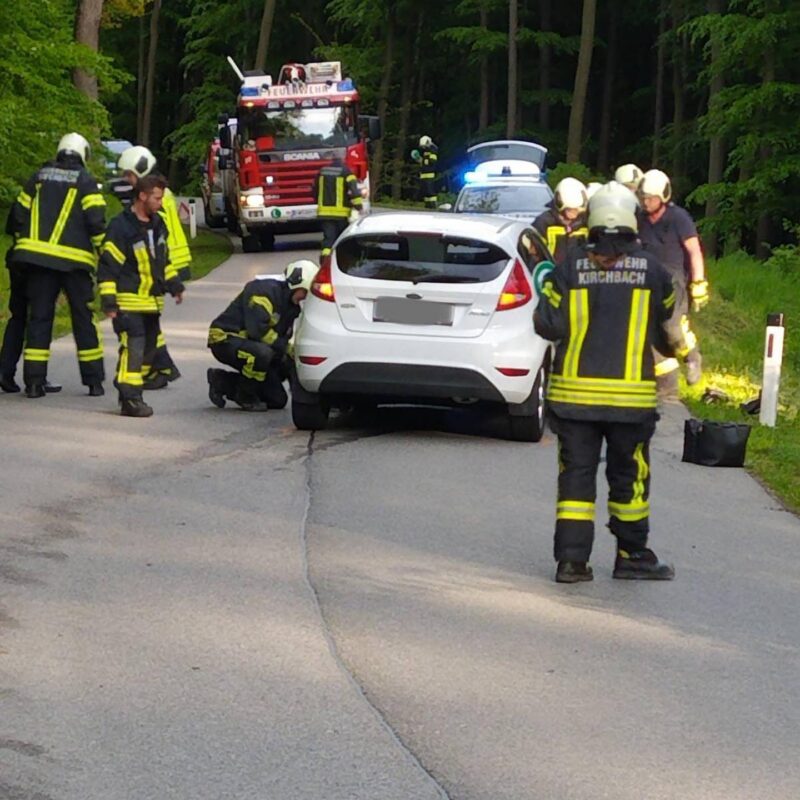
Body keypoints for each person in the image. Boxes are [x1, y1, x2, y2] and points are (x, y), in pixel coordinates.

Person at [534, 181, 688, 583]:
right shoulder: (653, 271)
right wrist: (681, 355)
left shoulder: (568, 268)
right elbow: (668, 329)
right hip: (630, 404)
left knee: (576, 477)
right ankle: (633, 554)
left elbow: (546, 325)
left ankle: (571, 562)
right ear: (632, 223)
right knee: (630, 477)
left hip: (573, 401)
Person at [8, 133, 106, 398]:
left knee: (39, 319)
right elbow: (96, 223)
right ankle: (94, 382)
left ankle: (34, 383)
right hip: (75, 264)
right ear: (82, 154)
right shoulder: (86, 181)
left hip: (37, 262)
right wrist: (106, 255)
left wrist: (21, 247)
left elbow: (18, 215)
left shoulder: (38, 177)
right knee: (83, 319)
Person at [97, 174, 185, 418]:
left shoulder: (158, 224)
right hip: (128, 301)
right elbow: (108, 267)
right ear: (142, 196)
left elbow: (163, 260)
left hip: (151, 303)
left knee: (148, 351)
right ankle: (130, 397)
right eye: (157, 198)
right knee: (133, 348)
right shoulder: (120, 226)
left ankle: (128, 388)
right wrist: (109, 301)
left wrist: (175, 285)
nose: (160, 203)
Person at [115, 145, 192, 387]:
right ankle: (161, 367)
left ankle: (160, 368)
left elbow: (155, 237)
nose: (127, 179)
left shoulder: (156, 198)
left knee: (148, 320)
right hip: (169, 262)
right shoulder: (161, 193)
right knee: (149, 320)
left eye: (129, 175)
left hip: (166, 265)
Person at [206, 259, 317, 411]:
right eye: (305, 292)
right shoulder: (264, 292)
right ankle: (245, 396)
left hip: (253, 344)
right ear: (296, 283)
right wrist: (285, 347)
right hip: (225, 338)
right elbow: (258, 331)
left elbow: (281, 338)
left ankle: (221, 381)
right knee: (263, 354)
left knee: (277, 400)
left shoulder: (291, 306)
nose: (305, 298)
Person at [637, 169, 707, 394]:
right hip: (646, 281)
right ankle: (666, 384)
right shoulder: (639, 219)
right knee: (652, 332)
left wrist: (698, 283)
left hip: (673, 283)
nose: (646, 202)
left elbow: (694, 251)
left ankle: (692, 357)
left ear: (663, 196)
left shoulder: (679, 218)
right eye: (643, 198)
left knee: (672, 327)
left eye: (651, 198)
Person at [533, 177, 589, 265]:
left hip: (579, 270)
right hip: (552, 271)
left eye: (576, 210)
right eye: (569, 210)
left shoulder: (586, 223)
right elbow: (533, 253)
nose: (573, 215)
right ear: (559, 204)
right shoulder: (543, 222)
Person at [315, 160, 363, 261]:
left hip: (324, 213)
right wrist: (358, 206)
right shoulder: (347, 172)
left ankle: (325, 259)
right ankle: (343, 260)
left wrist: (318, 202)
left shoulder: (322, 172)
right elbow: (354, 191)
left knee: (329, 239)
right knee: (342, 239)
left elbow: (314, 190)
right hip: (341, 215)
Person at [411, 135, 439, 209]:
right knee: (425, 191)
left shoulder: (433, 150)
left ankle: (433, 205)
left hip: (429, 174)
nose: (423, 148)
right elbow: (425, 162)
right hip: (424, 174)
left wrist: (423, 161)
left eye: (424, 146)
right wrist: (419, 159)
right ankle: (427, 206)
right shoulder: (426, 151)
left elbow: (432, 162)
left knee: (430, 191)